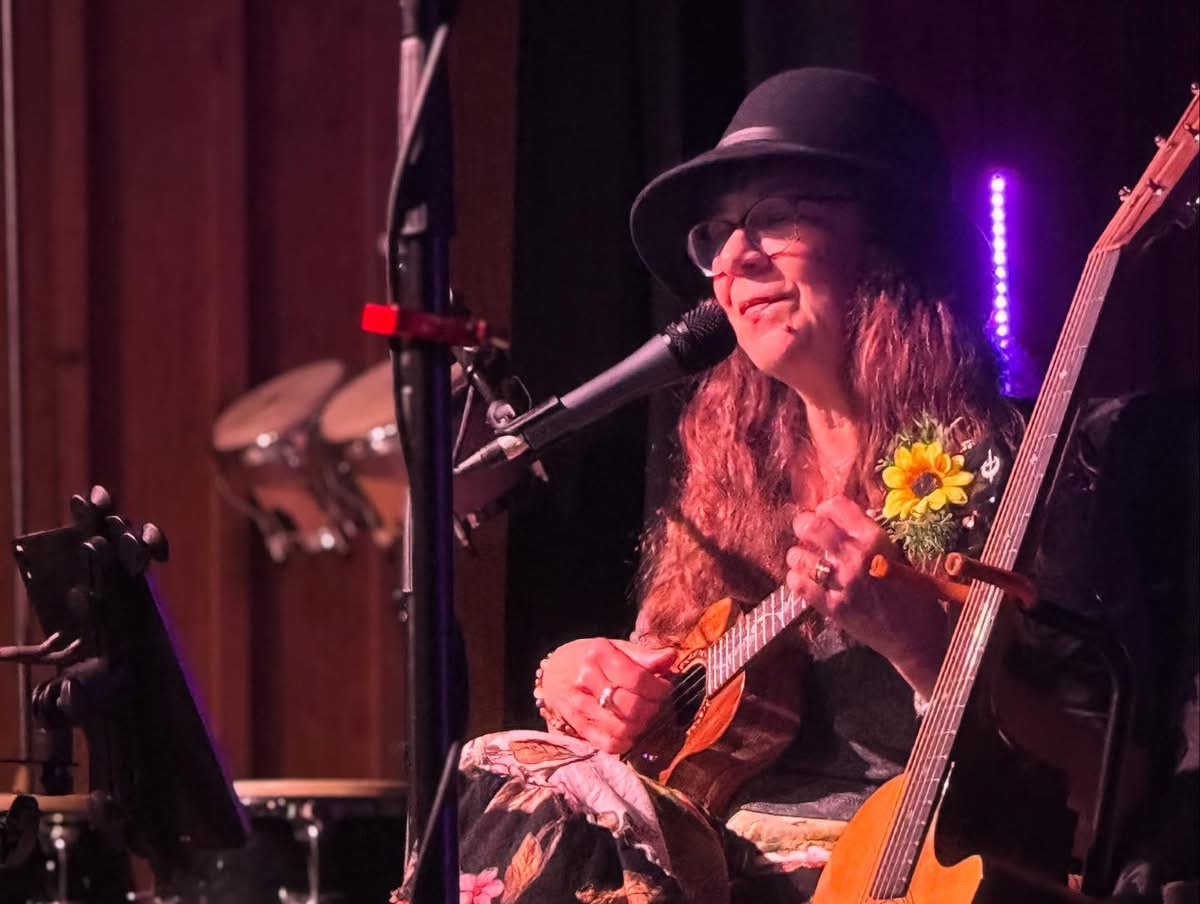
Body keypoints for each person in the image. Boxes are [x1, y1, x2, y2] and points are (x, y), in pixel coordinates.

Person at [391, 68, 1197, 904]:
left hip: (888, 874)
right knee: (508, 778)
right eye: (718, 233)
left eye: (776, 217)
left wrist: (924, 648)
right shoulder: (730, 479)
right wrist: (575, 683)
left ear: (889, 244)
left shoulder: (1025, 466)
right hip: (701, 862)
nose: (734, 258)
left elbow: (1107, 796)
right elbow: (650, 712)